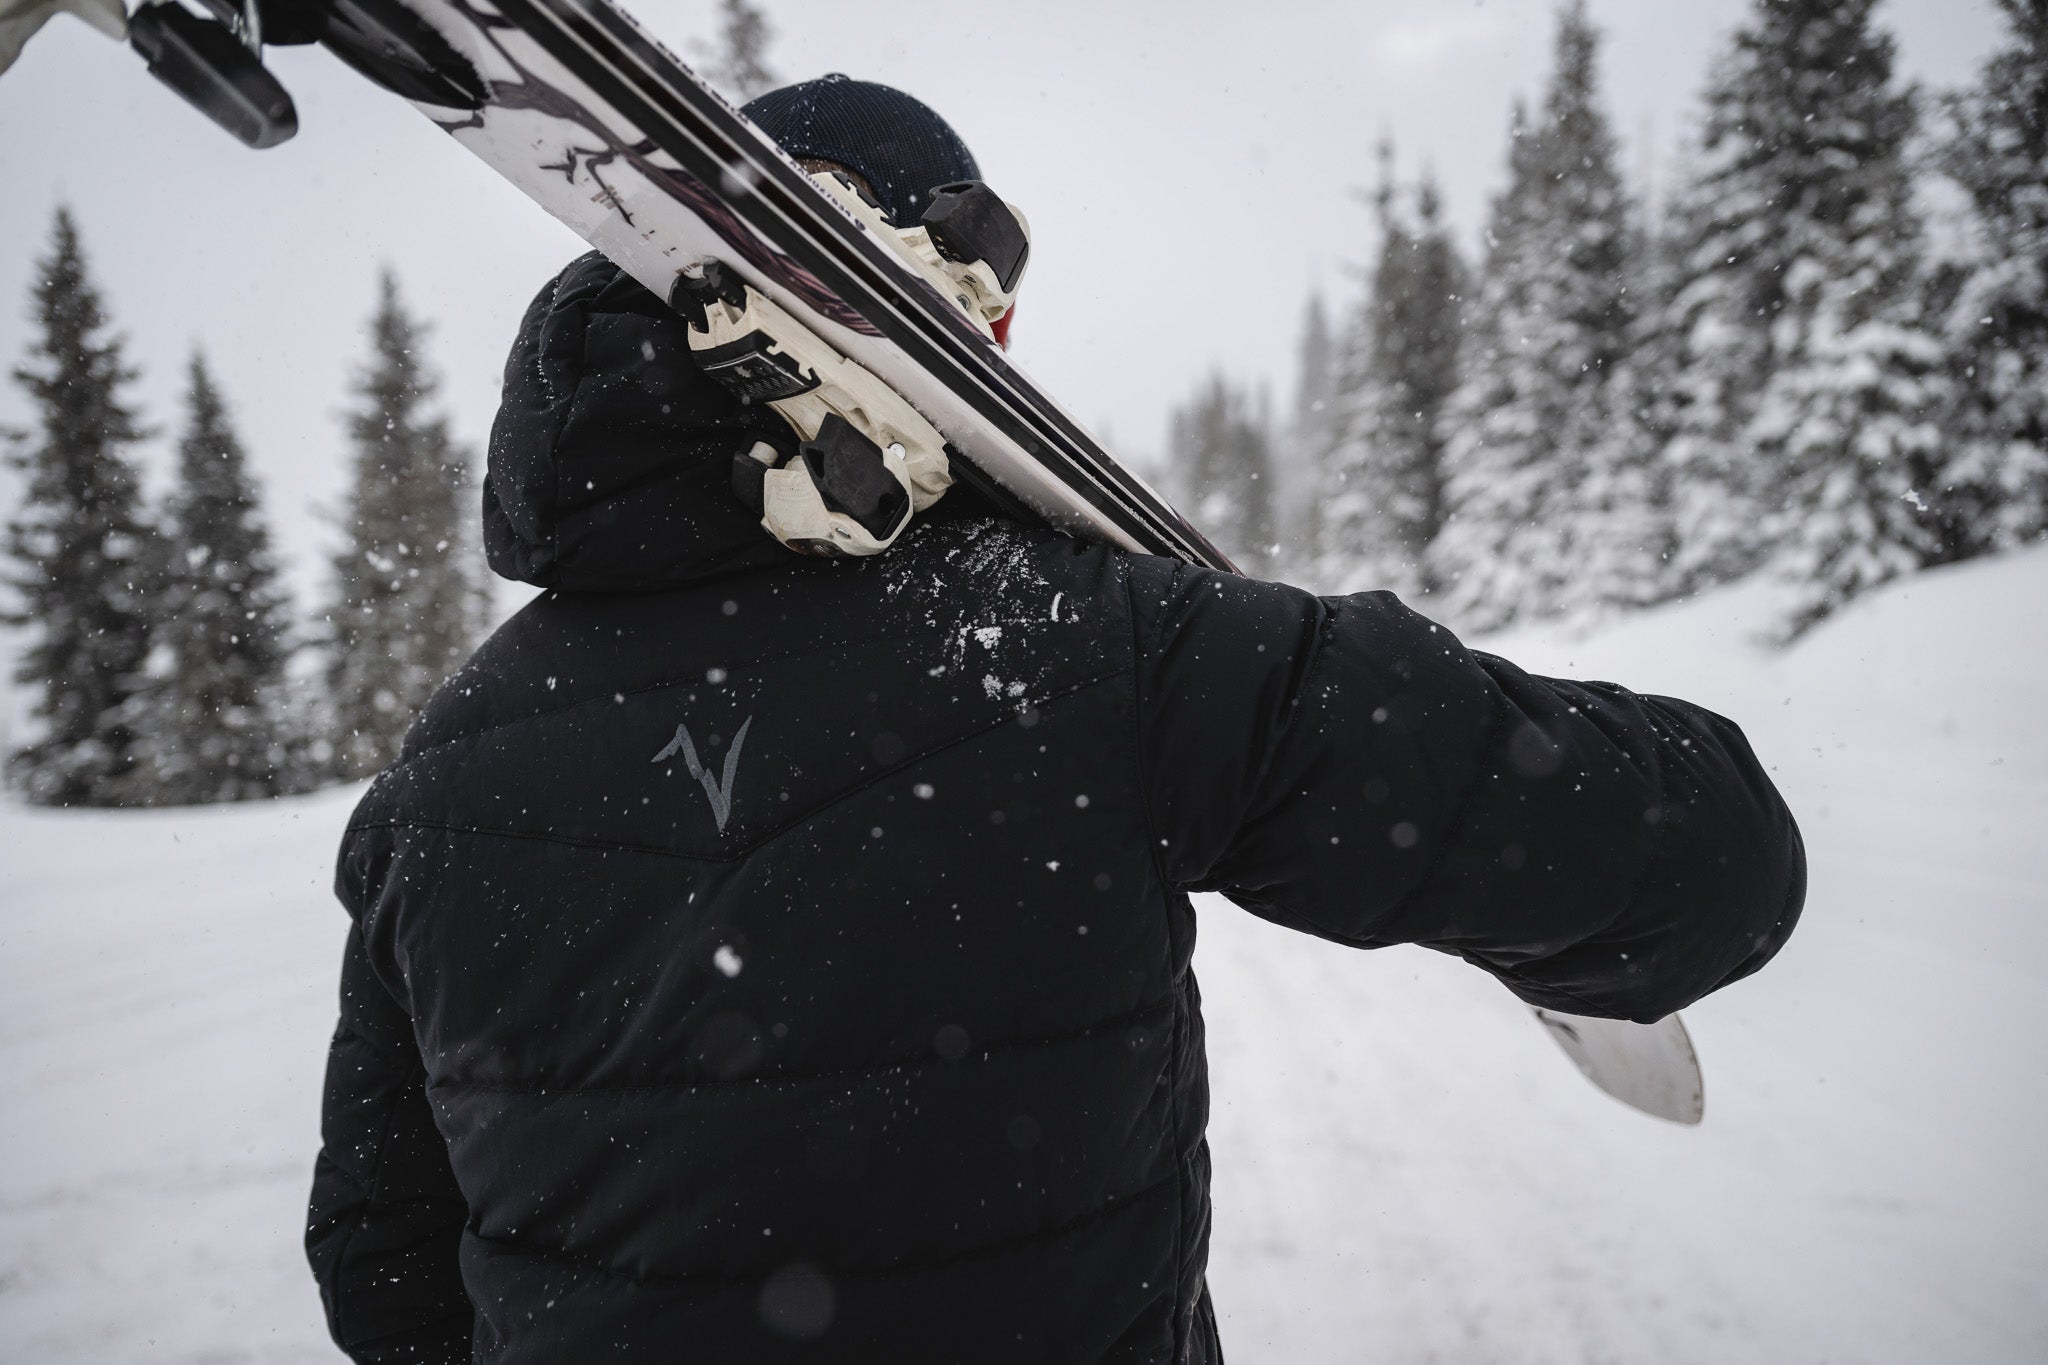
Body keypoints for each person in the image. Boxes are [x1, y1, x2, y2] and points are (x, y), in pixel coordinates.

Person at [305, 75, 1805, 1365]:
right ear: (931, 296)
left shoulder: (433, 787)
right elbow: (1717, 867)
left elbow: (384, 1265)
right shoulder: (1078, 646)